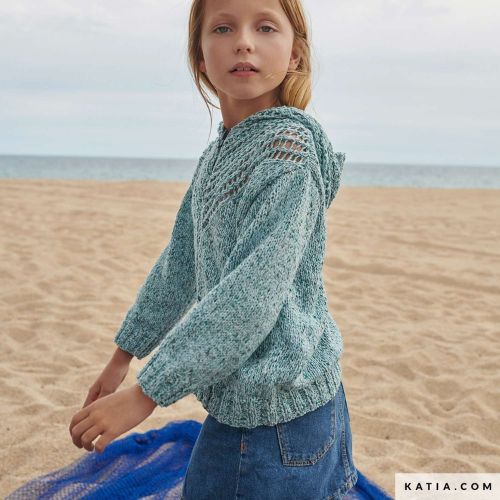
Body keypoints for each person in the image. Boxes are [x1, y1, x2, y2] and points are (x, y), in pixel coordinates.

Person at [69, 0, 358, 498]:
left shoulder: (288, 153)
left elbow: (249, 297)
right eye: (223, 28)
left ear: (295, 55)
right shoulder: (220, 152)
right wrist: (125, 353)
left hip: (278, 420)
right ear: (200, 58)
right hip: (260, 405)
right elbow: (180, 263)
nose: (243, 42)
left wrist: (146, 393)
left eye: (265, 27)